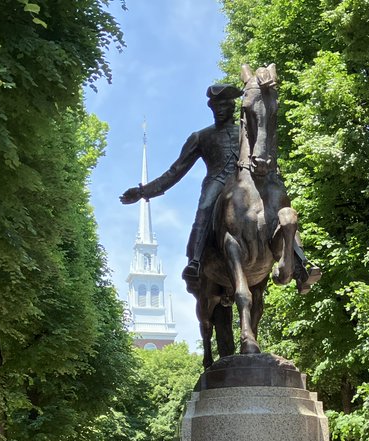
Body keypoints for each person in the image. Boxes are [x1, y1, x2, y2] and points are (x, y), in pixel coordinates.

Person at [119, 85, 317, 293]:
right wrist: (143, 192)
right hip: (218, 182)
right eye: (216, 106)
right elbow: (175, 171)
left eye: (226, 105)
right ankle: (195, 261)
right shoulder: (201, 137)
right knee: (205, 206)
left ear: (233, 106)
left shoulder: (246, 133)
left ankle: (300, 264)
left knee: (279, 204)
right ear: (211, 108)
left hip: (247, 181)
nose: (221, 109)